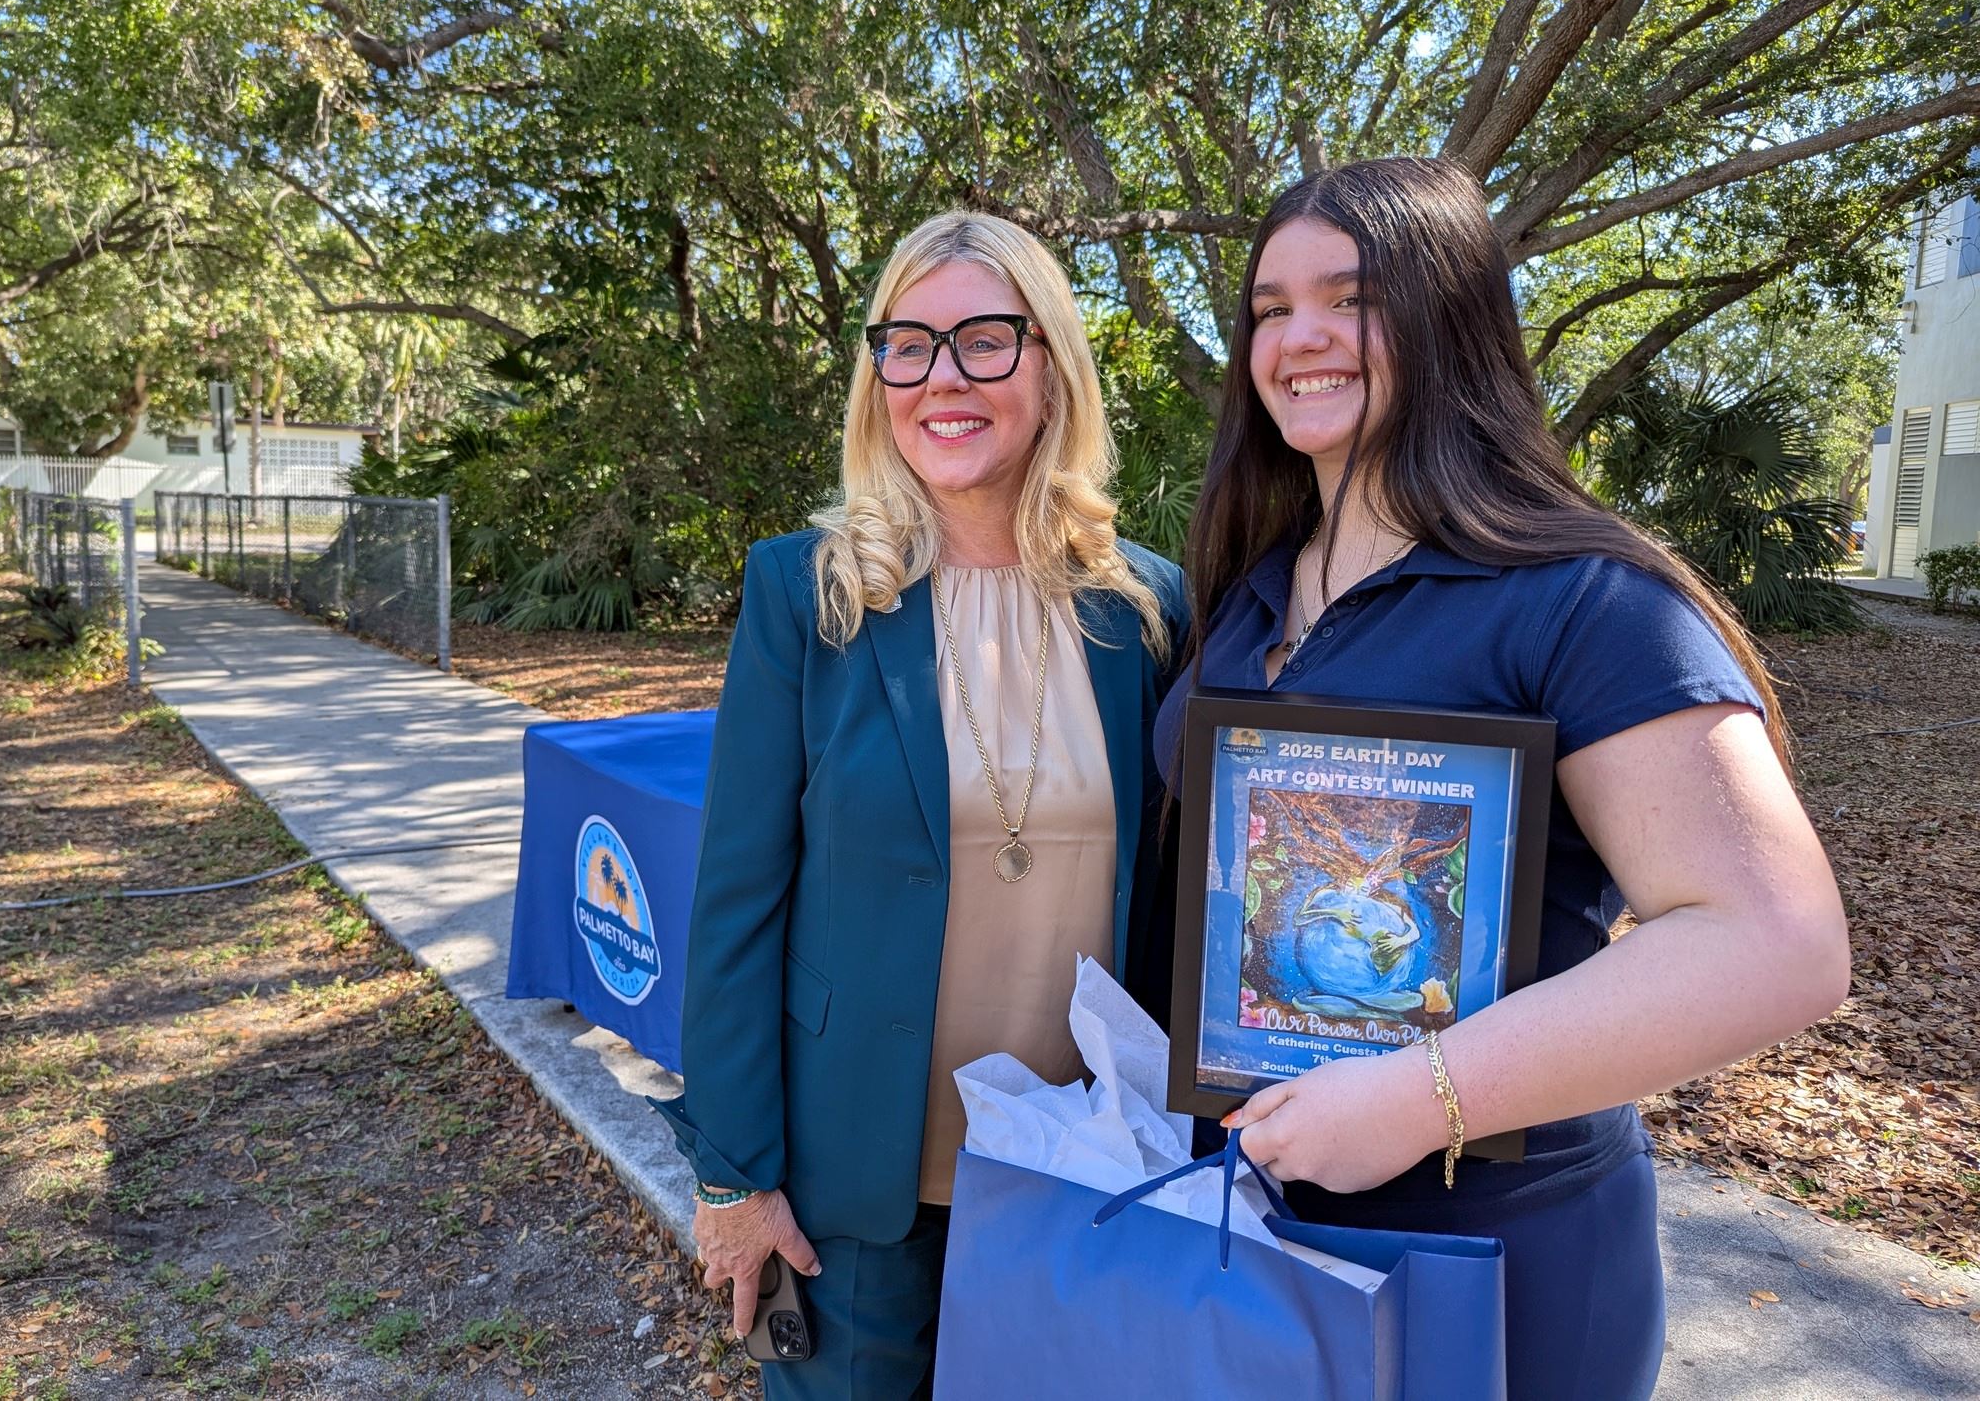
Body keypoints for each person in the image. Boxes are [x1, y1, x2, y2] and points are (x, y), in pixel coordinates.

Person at [1155, 157, 1850, 1400]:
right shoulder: (1245, 590)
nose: (1297, 337)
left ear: (1447, 316)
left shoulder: (1585, 598)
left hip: (1492, 1253)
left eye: (1346, 297)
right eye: (1268, 307)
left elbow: (1775, 942)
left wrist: (1422, 1096)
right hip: (1244, 1222)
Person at [655, 210, 1188, 1398]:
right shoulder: (806, 592)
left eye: (985, 341)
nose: (941, 379)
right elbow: (738, 897)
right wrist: (732, 1177)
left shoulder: (1146, 608)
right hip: (852, 1188)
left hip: (1083, 1170)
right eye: (906, 345)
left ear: (1050, 362)